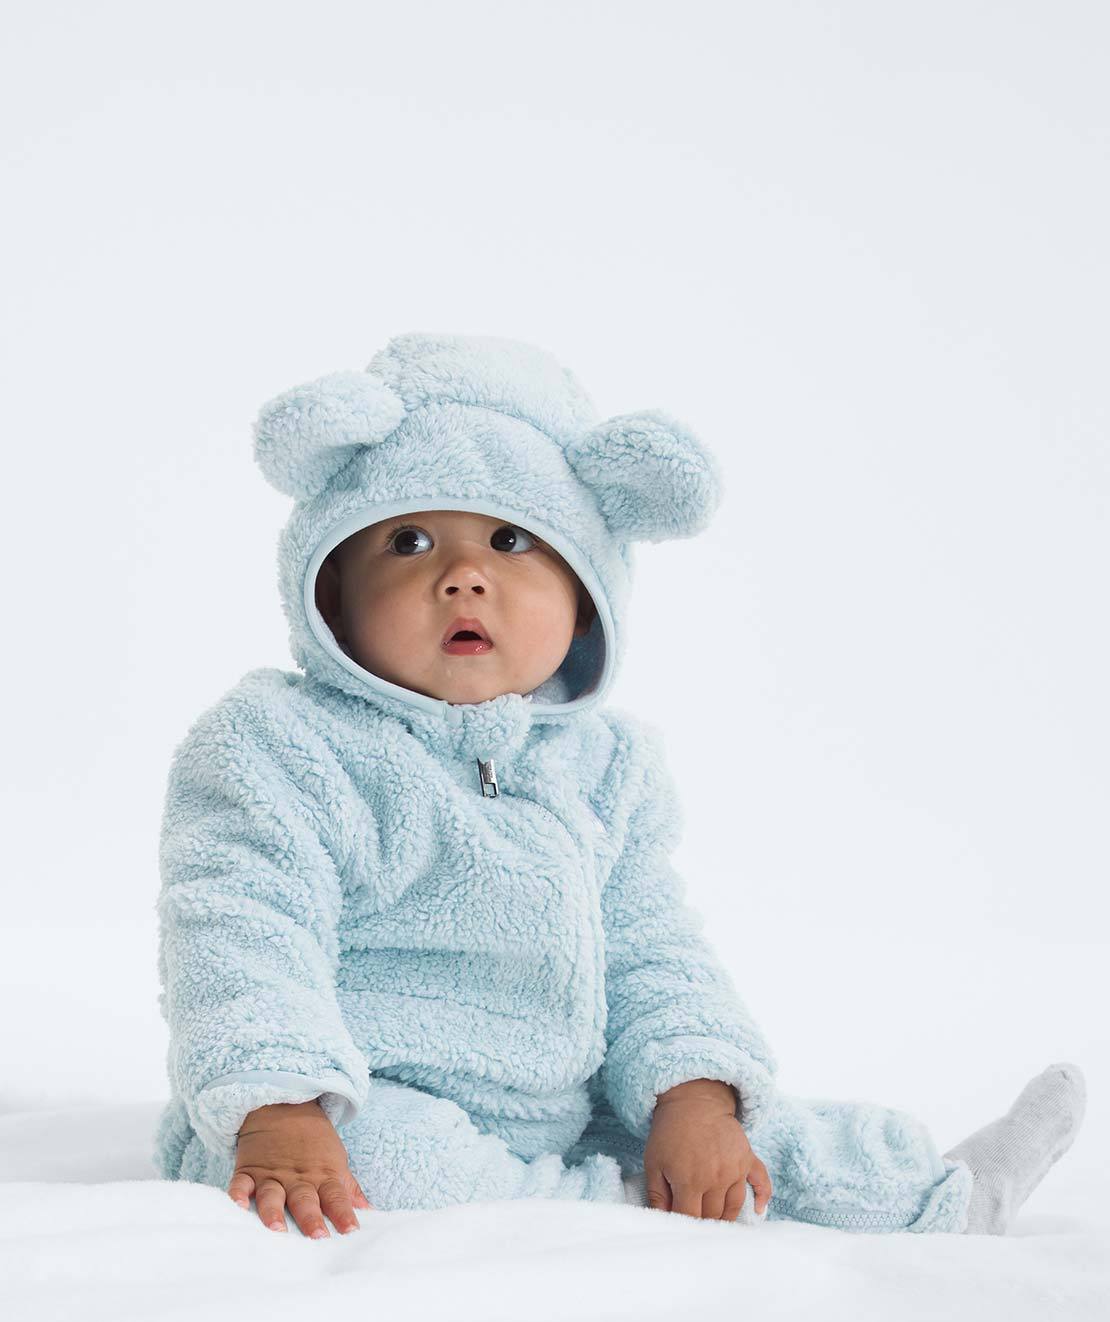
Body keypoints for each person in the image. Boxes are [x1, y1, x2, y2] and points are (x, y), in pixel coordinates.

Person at [152, 331, 1086, 1240]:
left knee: (746, 1139)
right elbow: (240, 928)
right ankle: (627, 1214)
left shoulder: (608, 766)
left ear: (587, 595)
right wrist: (278, 1106)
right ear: (329, 592)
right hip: (342, 1105)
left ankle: (936, 1196)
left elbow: (651, 944)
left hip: (566, 1098)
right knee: (388, 1164)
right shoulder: (278, 743)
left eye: (511, 540)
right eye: (408, 540)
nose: (463, 576)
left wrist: (692, 1094)